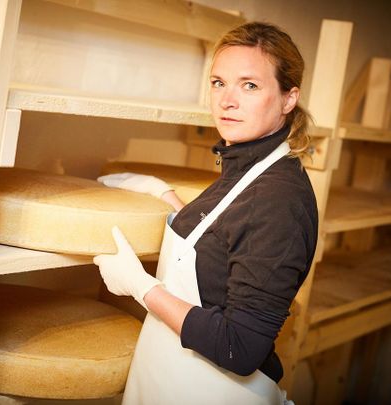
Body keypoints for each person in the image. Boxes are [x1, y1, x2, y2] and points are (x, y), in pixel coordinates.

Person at [95, 21, 318, 405]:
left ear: (287, 98)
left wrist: (141, 287)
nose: (227, 100)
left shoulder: (281, 201)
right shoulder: (250, 167)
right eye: (219, 83)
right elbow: (231, 242)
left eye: (249, 85)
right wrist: (168, 199)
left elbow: (240, 347)